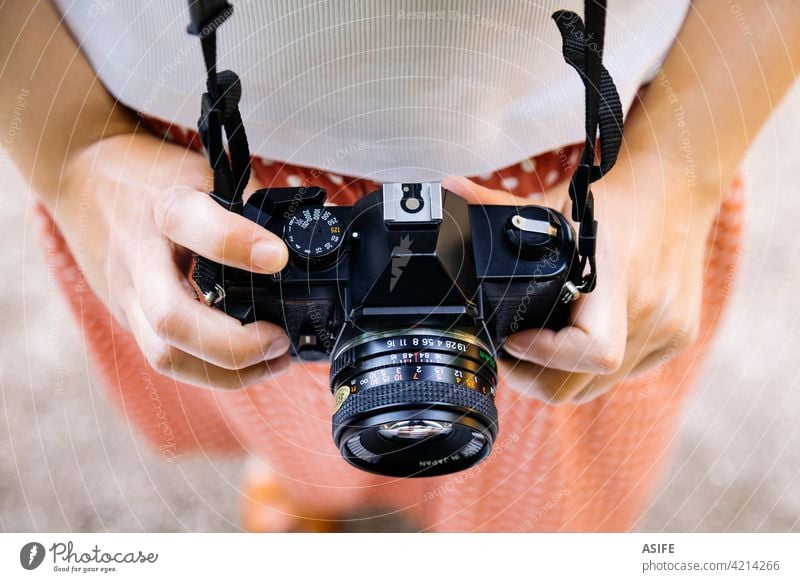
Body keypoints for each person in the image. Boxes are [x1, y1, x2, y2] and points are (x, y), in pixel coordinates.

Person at [2, 0, 798, 532]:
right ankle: (309, 483)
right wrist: (74, 147)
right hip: (206, 167)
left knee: (548, 483)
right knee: (270, 397)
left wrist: (678, 167)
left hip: (586, 167)